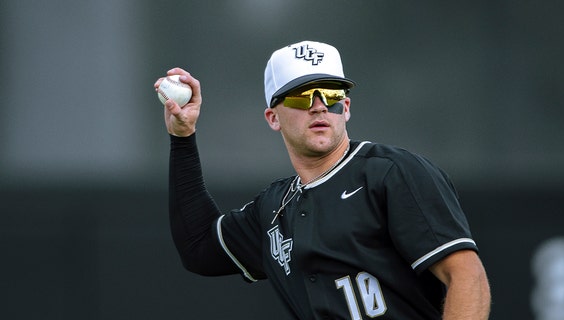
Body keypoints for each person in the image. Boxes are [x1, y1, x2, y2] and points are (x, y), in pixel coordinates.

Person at [155, 40, 491, 319]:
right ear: (273, 117)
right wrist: (182, 138)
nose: (319, 106)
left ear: (345, 108)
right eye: (302, 96)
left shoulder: (392, 173)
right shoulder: (273, 208)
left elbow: (466, 275)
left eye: (330, 94)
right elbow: (198, 247)